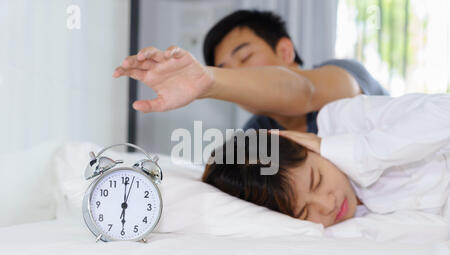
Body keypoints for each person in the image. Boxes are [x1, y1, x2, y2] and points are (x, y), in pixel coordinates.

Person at [113, 10, 388, 133]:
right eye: (225, 71)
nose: (236, 77)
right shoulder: (255, 137)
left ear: (285, 51)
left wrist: (210, 80)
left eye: (244, 57)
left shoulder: (344, 74)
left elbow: (306, 91)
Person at [202, 93, 450, 228]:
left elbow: (444, 112)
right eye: (304, 211)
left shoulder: (343, 120)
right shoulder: (331, 236)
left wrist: (347, 151)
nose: (327, 205)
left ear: (303, 144)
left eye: (316, 180)